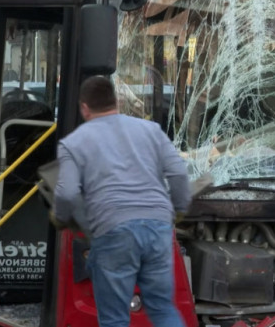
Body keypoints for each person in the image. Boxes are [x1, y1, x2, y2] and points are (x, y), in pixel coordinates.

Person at [54, 75, 191, 327]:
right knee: (162, 308)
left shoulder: (73, 143)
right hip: (158, 227)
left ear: (84, 107)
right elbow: (179, 174)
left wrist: (60, 217)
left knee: (115, 318)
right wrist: (179, 209)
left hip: (113, 229)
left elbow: (66, 193)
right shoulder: (151, 130)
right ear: (115, 101)